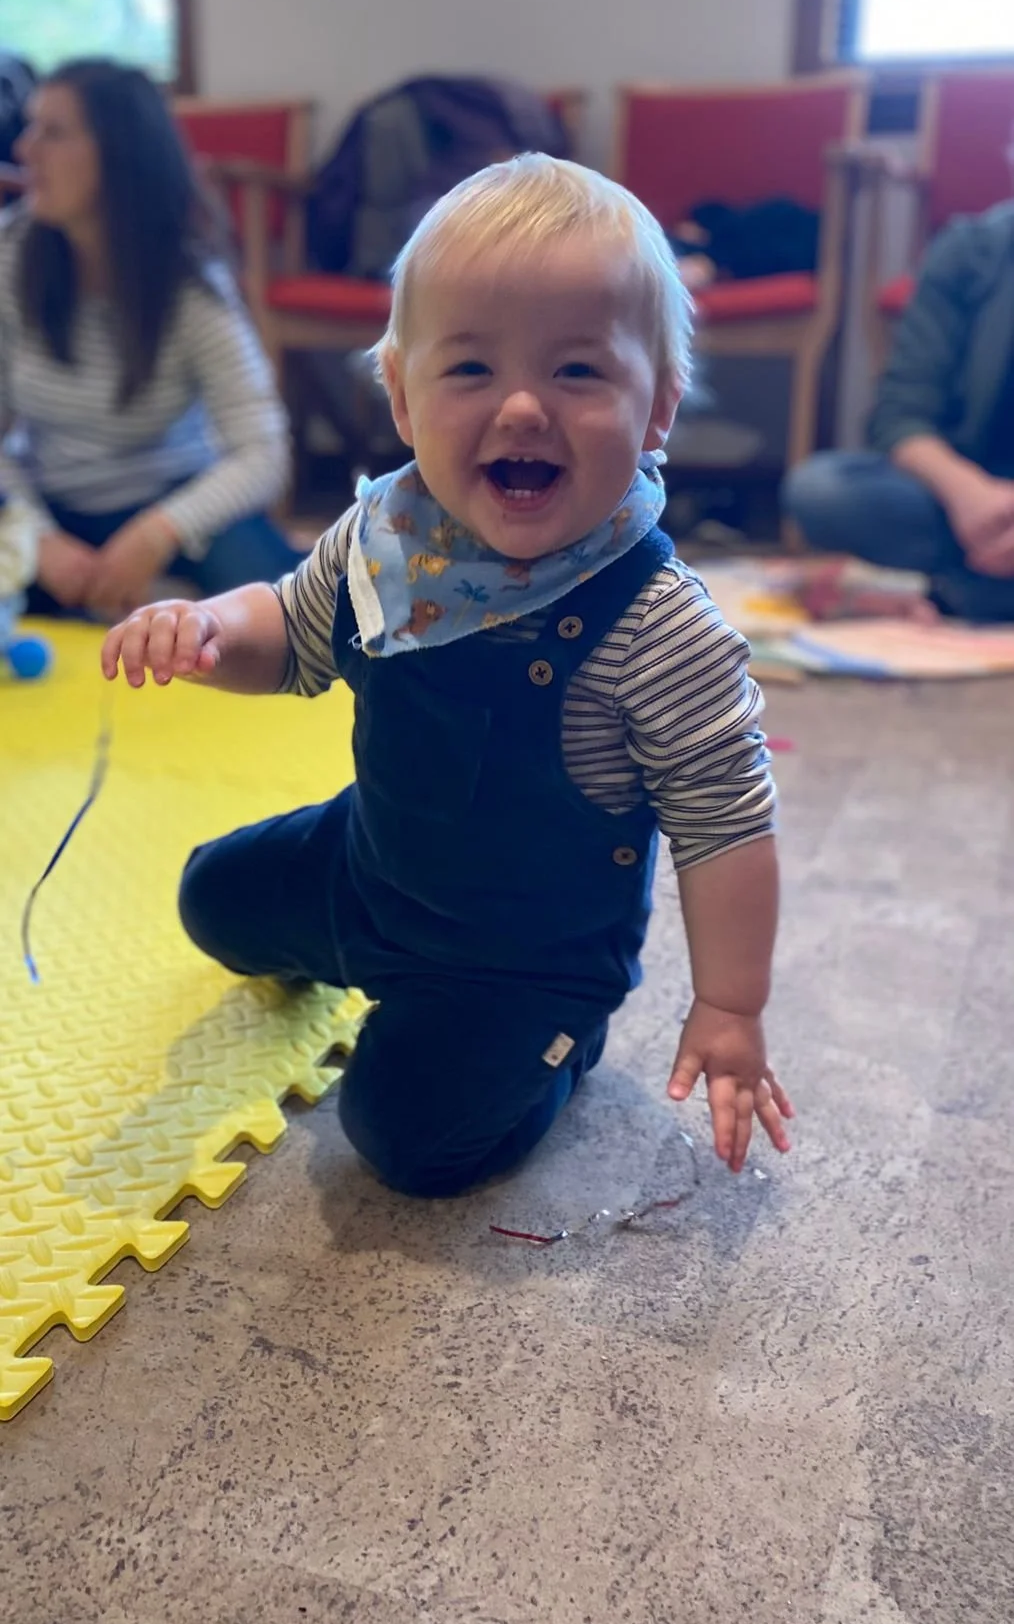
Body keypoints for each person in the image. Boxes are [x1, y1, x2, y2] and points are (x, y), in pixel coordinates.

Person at [102, 155, 793, 1197]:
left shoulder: (659, 625)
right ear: (401, 395)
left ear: (657, 410)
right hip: (372, 867)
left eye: (577, 371)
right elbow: (288, 631)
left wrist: (731, 1005)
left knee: (409, 1139)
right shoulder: (386, 538)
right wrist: (203, 627)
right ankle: (362, 960)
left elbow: (727, 823)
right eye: (469, 369)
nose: (521, 408)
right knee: (211, 894)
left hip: (521, 960)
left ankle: (566, 1043)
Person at [0, 57, 294, 621]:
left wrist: (156, 534)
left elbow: (262, 453)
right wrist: (38, 538)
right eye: (31, 127)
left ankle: (146, 596)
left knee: (274, 608)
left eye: (53, 132)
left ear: (119, 153)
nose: (25, 149)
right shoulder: (12, 258)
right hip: (51, 507)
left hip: (170, 506)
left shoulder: (191, 286)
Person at [783, 197, 1014, 623]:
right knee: (822, 489)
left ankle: (965, 592)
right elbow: (901, 414)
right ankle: (985, 586)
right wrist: (970, 495)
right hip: (970, 494)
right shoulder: (973, 248)